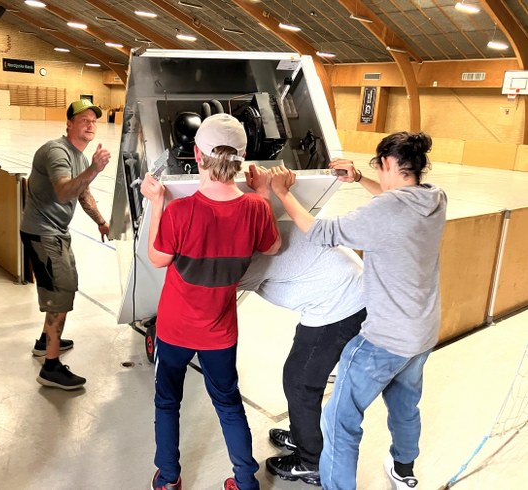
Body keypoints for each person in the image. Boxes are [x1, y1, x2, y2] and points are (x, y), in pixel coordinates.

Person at [268, 132, 447, 490]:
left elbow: (321, 232)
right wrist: (360, 179)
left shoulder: (384, 210)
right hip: (423, 333)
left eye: (378, 168)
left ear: (388, 163)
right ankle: (404, 469)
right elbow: (396, 202)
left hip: (384, 339)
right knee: (405, 405)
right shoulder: (434, 198)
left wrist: (282, 193)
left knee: (339, 421)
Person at [140, 113, 281, 490]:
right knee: (229, 405)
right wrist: (264, 195)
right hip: (220, 333)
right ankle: (246, 481)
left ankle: (168, 478)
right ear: (242, 158)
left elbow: (157, 258)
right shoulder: (255, 209)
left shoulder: (180, 211)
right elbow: (272, 246)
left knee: (167, 402)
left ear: (198, 156)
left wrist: (156, 202)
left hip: (174, 330)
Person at [237, 219, 366, 486]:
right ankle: (301, 436)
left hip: (341, 302)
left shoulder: (243, 260)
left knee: (300, 383)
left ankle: (311, 462)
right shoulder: (255, 224)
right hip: (339, 291)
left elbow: (212, 294)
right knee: (301, 376)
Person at [20, 99, 111, 390]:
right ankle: (50, 367)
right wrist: (94, 169)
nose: (90, 125)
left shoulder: (79, 158)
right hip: (43, 234)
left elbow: (83, 194)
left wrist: (101, 221)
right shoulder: (57, 152)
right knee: (62, 292)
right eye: (83, 120)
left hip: (55, 232)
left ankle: (44, 342)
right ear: (69, 124)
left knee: (62, 290)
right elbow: (63, 191)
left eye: (93, 121)